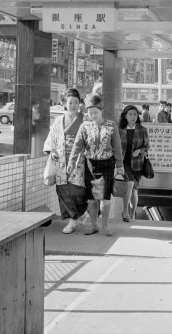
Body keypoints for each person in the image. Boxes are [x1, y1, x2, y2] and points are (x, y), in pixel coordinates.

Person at [68, 93, 124, 236]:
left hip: (107, 164)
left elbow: (117, 147)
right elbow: (77, 146)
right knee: (91, 197)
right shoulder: (84, 127)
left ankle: (105, 226)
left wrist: (120, 165)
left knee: (105, 197)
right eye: (90, 112)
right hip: (90, 165)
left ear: (101, 110)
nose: (92, 115)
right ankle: (93, 225)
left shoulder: (111, 126)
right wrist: (71, 162)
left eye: (95, 112)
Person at [44, 88, 87, 234]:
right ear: (65, 103)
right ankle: (72, 220)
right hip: (62, 159)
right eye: (70, 102)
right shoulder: (59, 120)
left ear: (80, 103)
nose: (73, 105)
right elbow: (51, 139)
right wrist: (52, 151)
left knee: (79, 190)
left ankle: (80, 213)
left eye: (76, 102)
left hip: (80, 161)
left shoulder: (86, 119)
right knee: (62, 189)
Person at [119, 105, 150, 221]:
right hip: (123, 163)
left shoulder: (142, 130)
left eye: (135, 114)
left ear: (138, 116)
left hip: (137, 164)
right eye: (130, 114)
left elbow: (147, 147)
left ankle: (132, 214)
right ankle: (125, 210)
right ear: (125, 116)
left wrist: (139, 151)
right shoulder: (120, 130)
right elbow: (115, 146)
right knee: (129, 184)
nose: (132, 116)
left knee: (134, 191)